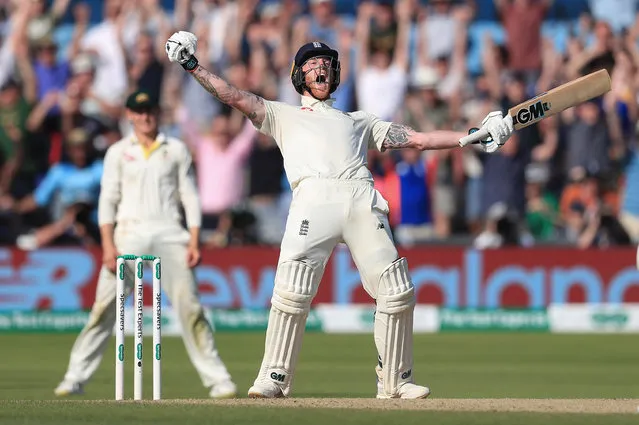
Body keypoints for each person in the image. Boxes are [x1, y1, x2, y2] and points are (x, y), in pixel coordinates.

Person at [165, 31, 514, 399]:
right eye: (313, 64)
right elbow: (233, 96)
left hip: (361, 197)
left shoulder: (360, 120)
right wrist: (192, 66)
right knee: (292, 292)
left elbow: (419, 139)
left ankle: (395, 382)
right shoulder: (281, 114)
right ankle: (273, 378)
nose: (322, 69)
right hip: (312, 199)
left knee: (396, 292)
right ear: (300, 75)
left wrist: (473, 135)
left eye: (327, 64)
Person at [54, 90, 237, 399]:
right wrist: (108, 246)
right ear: (129, 115)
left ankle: (218, 380)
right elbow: (108, 200)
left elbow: (189, 196)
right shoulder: (117, 152)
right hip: (128, 235)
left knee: (190, 308)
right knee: (103, 308)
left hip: (170, 234)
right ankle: (74, 378)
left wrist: (194, 240)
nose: (145, 116)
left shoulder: (176, 149)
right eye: (139, 112)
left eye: (150, 110)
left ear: (157, 112)